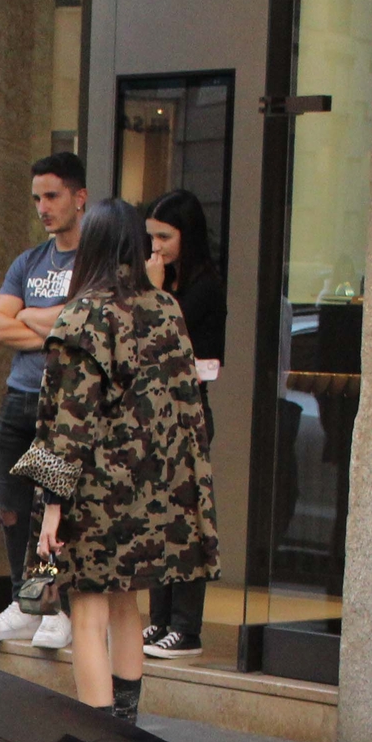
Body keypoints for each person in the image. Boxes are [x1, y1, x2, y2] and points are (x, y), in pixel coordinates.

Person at [12, 197, 219, 729]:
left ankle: (98, 741)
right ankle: (126, 731)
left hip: (95, 490)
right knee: (129, 604)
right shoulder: (167, 309)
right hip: (156, 489)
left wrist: (52, 513)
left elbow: (68, 422)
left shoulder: (83, 315)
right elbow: (187, 404)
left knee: (88, 609)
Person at [0, 151, 90, 652]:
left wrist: (40, 318)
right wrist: (55, 322)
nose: (43, 207)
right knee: (12, 507)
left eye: (53, 196)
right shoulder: (29, 260)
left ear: (80, 197)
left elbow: (82, 324)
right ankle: (24, 601)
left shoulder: (94, 260)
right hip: (19, 398)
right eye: (37, 197)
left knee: (53, 511)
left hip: (61, 404)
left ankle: (55, 604)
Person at [139, 188, 226, 660]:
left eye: (165, 237)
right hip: (154, 410)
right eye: (151, 236)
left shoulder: (203, 286)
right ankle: (158, 620)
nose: (157, 246)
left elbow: (174, 342)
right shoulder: (162, 278)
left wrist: (155, 291)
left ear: (186, 236)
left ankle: (185, 626)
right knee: (156, 516)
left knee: (184, 518)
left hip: (188, 411)